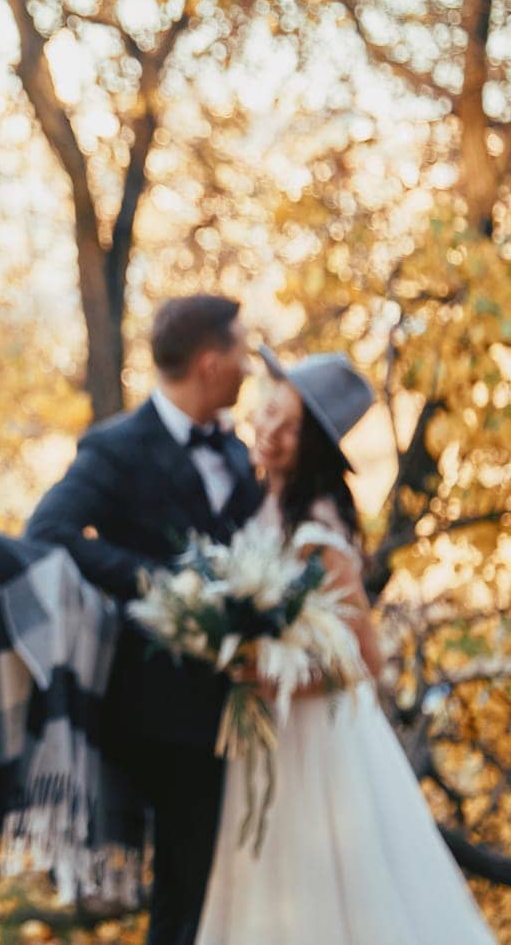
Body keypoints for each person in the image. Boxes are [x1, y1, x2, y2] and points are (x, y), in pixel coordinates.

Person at [195, 349, 496, 944]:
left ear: (312, 446)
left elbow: (366, 660)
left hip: (320, 745)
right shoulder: (258, 505)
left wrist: (272, 677)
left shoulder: (320, 527)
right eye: (270, 413)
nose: (270, 430)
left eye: (289, 426)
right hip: (267, 741)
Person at [26, 295, 263, 945]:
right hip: (163, 707)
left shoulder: (238, 453)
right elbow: (49, 529)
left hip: (246, 698)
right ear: (212, 363)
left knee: (227, 878)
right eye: (242, 350)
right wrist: (158, 584)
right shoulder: (117, 446)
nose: (249, 365)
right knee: (186, 886)